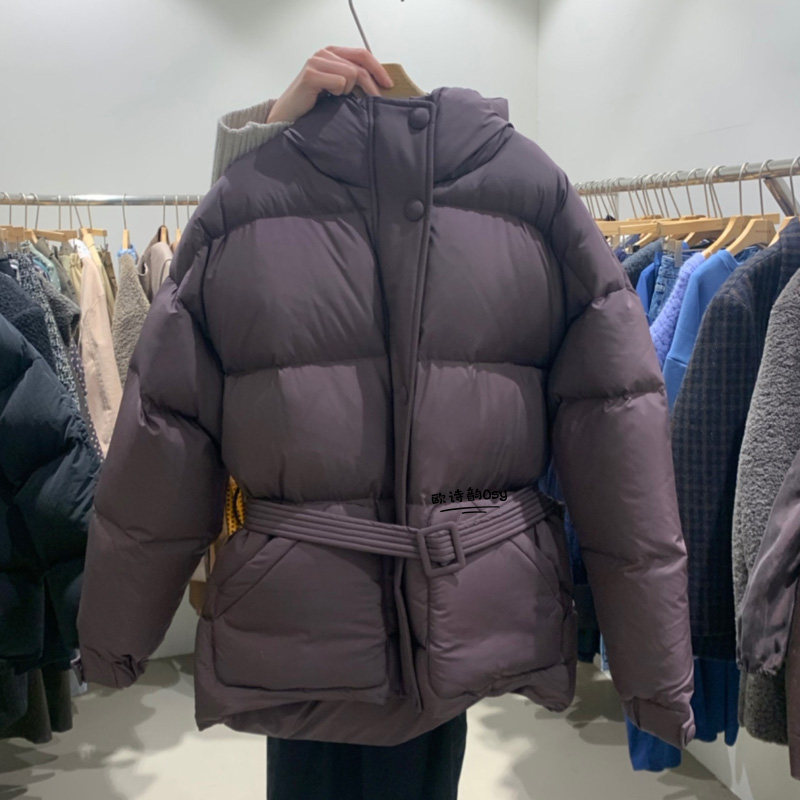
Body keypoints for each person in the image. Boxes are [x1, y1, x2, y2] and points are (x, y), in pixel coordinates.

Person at [210, 46, 469, 800]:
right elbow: (217, 262)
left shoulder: (472, 212)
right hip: (308, 594)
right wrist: (267, 130)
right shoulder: (275, 231)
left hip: (423, 596)